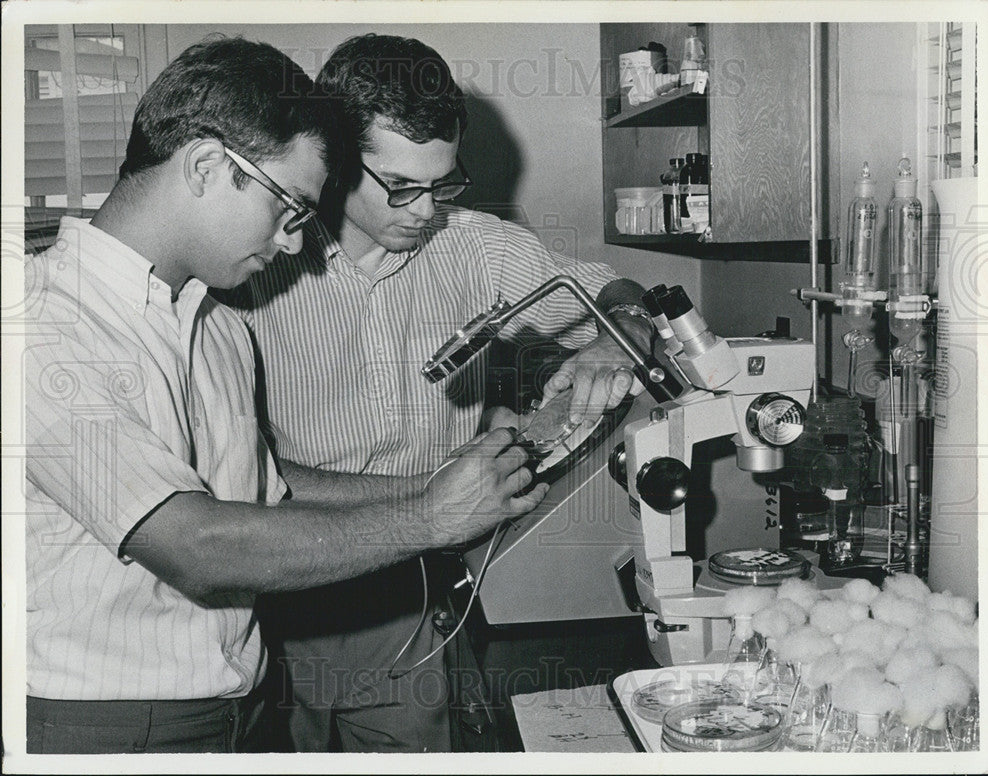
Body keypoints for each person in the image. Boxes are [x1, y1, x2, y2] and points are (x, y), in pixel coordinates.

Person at [23, 36, 545, 755]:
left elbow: (272, 496)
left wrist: (436, 486)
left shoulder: (213, 326)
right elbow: (197, 545)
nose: (298, 245)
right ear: (207, 166)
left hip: (233, 708)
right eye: (290, 207)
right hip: (102, 725)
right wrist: (429, 517)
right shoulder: (40, 322)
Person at [222, 33, 658, 753]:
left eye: (443, 183)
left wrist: (621, 331)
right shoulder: (252, 261)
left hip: (408, 603)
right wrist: (432, 497)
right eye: (399, 186)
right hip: (274, 596)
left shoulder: (473, 248)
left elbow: (616, 289)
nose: (425, 211)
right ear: (330, 158)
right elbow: (242, 478)